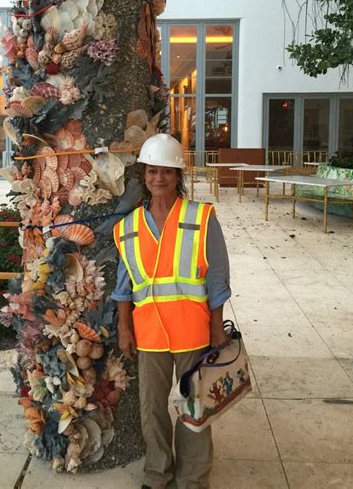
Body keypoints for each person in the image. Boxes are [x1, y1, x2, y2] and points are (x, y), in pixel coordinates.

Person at [112, 134, 231, 489]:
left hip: (192, 332)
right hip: (148, 335)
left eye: (166, 171)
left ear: (178, 175)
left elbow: (218, 277)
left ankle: (193, 479)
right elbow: (124, 286)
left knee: (193, 409)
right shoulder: (129, 226)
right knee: (152, 411)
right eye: (152, 171)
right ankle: (157, 474)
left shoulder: (201, 217)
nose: (158, 177)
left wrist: (216, 327)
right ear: (144, 176)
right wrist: (123, 328)